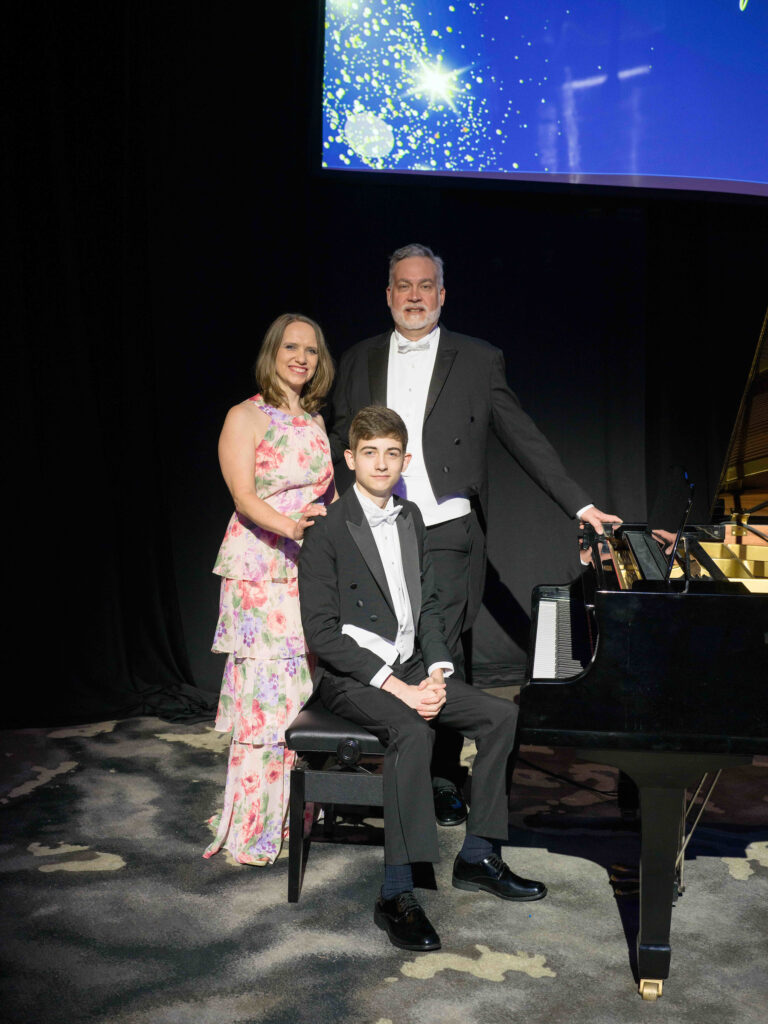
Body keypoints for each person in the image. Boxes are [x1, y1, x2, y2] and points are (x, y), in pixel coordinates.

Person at [329, 243, 621, 824]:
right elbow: (337, 435)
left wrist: (580, 505)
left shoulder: (478, 358)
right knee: (377, 639)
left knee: (440, 650)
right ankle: (386, 756)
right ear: (388, 295)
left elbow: (524, 437)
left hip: (444, 529)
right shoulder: (359, 359)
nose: (415, 296)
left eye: (426, 286)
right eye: (404, 286)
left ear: (443, 293)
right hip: (375, 525)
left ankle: (439, 777)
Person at [299, 406, 546, 952]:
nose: (381, 463)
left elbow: (430, 606)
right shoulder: (328, 530)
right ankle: (395, 893)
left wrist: (436, 670)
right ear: (350, 460)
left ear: (405, 460)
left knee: (501, 715)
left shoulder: (410, 517)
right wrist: (400, 688)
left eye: (391, 453)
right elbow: (322, 633)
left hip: (413, 667)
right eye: (370, 453)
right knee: (413, 732)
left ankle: (478, 854)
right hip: (354, 677)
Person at [203, 312, 335, 866]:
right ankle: (259, 822)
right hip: (261, 568)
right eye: (290, 347)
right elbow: (243, 496)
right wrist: (292, 528)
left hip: (307, 566)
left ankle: (297, 808)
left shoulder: (317, 421)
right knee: (266, 701)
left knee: (301, 692)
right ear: (272, 353)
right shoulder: (245, 416)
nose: (301, 357)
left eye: (310, 349)